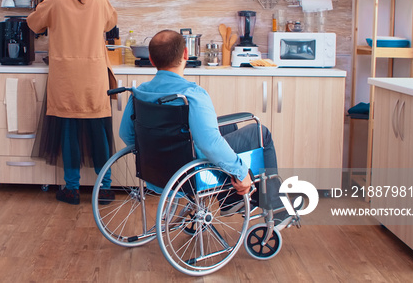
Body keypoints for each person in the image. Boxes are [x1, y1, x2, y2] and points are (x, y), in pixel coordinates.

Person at [119, 30, 291, 226]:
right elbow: (209, 144)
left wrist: (155, 153)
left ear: (150, 59)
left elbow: (126, 134)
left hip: (157, 171)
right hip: (192, 172)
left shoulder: (139, 93)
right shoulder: (192, 94)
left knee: (228, 127)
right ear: (186, 54)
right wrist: (241, 172)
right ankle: (277, 206)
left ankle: (231, 200)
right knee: (261, 133)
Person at [27, 0, 117, 205]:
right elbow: (110, 24)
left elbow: (33, 24)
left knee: (68, 131)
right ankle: (106, 188)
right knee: (99, 132)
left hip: (65, 78)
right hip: (93, 77)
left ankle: (72, 188)